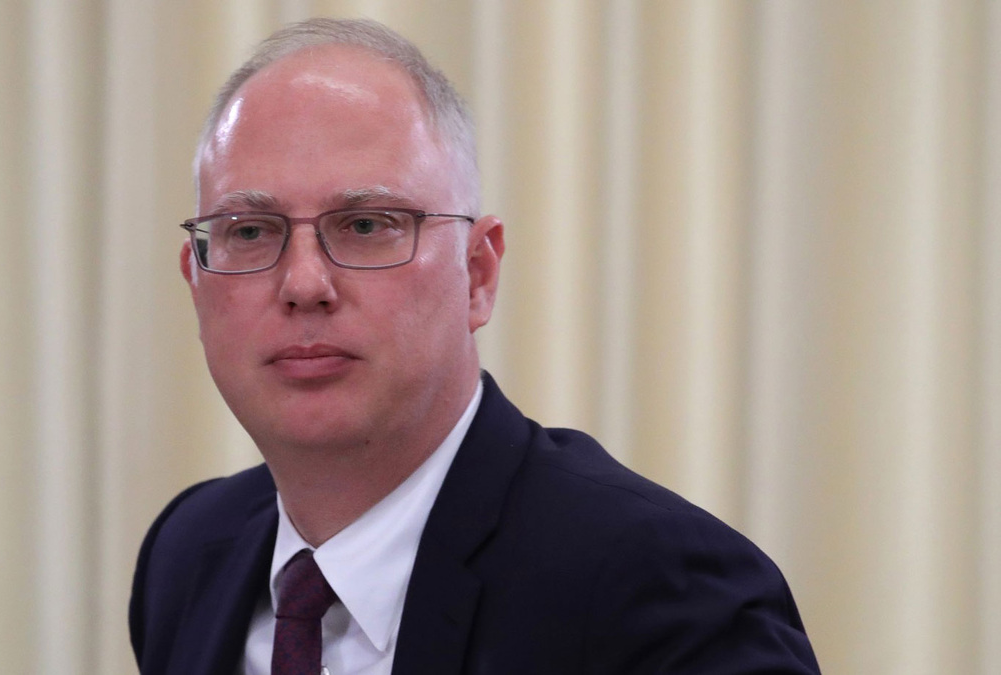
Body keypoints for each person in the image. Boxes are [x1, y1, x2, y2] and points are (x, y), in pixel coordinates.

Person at [129, 17, 820, 675]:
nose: (304, 284)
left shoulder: (665, 591)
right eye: (250, 232)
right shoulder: (189, 553)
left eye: (366, 224)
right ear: (196, 282)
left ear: (478, 275)